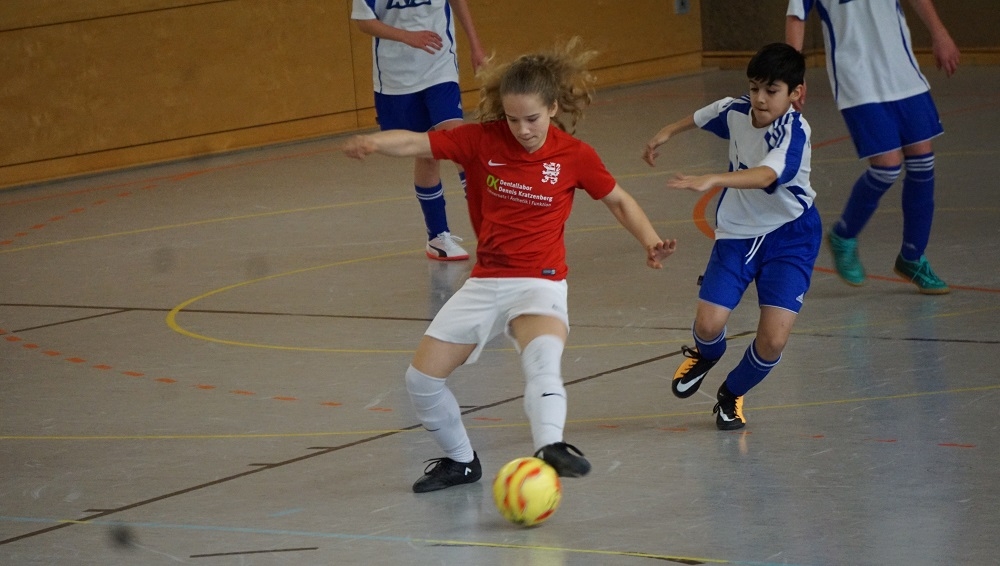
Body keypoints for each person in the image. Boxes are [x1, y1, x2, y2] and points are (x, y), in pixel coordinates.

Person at [344, 38, 677, 492]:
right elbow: (417, 142)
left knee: (542, 362)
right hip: (485, 281)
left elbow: (618, 200)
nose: (522, 129)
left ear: (553, 107)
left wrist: (651, 241)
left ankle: (550, 446)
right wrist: (373, 142)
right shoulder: (481, 140)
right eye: (512, 118)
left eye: (532, 118)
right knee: (420, 380)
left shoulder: (574, 155)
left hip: (540, 282)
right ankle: (462, 461)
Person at [643, 43, 818, 430]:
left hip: (791, 238)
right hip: (737, 233)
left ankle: (731, 393)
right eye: (754, 88)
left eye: (771, 90)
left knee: (773, 341)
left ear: (796, 93)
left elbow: (767, 174)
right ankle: (706, 354)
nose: (760, 98)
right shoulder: (738, 110)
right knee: (708, 326)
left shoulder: (794, 132)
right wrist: (664, 133)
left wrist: (714, 178)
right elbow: (705, 114)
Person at [786, 0, 959, 294]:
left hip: (902, 71)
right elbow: (796, 16)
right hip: (857, 78)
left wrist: (939, 33)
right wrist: (793, 72)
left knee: (923, 162)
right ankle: (844, 235)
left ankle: (913, 256)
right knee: (886, 168)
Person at [351, 0, 486, 261]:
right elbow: (363, 21)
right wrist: (406, 36)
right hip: (396, 77)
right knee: (427, 153)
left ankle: (491, 234)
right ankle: (437, 237)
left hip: (440, 66)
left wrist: (475, 44)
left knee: (459, 144)